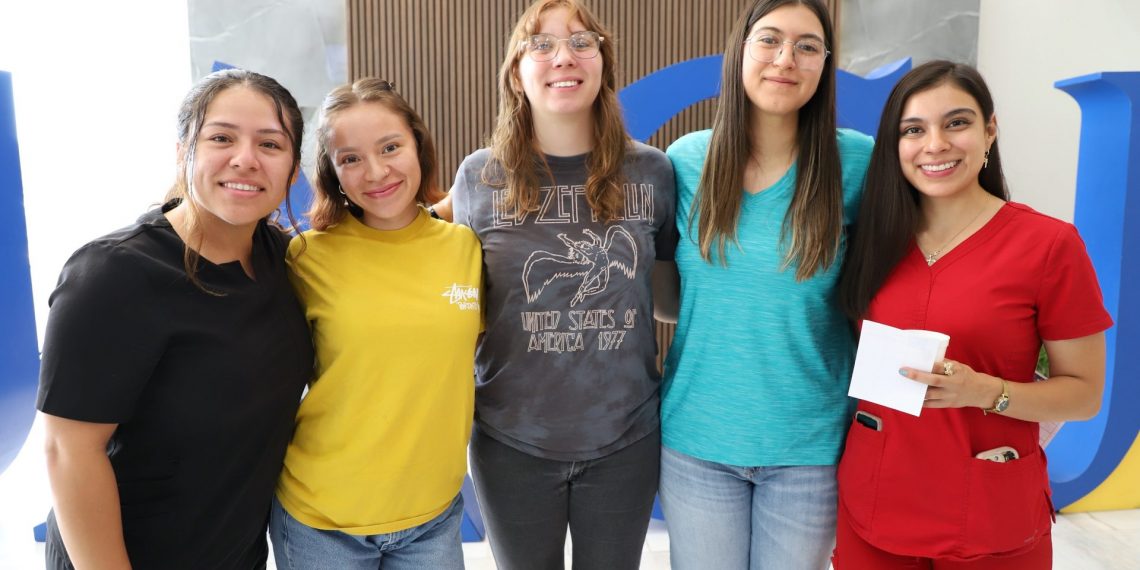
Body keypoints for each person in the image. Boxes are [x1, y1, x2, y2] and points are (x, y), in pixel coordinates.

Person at [833, 60, 1111, 569]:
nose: (935, 144)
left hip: (990, 511)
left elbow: (1085, 395)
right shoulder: (870, 241)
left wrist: (987, 392)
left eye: (956, 123)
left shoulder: (1048, 245)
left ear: (989, 132)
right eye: (913, 130)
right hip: (873, 507)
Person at [36, 68, 312, 569]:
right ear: (184, 151)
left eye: (270, 144)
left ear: (293, 170)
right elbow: (68, 451)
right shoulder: (113, 273)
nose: (245, 158)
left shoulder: (283, 260)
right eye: (221, 138)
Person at [449, 0, 677, 567]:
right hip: (511, 441)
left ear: (603, 64)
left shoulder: (651, 172)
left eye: (581, 42)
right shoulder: (479, 176)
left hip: (625, 438)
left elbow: (669, 296)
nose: (563, 57)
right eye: (542, 44)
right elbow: (453, 292)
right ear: (516, 73)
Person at [655, 0, 874, 568]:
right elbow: (672, 299)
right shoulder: (687, 160)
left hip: (810, 446)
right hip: (697, 440)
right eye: (770, 40)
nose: (785, 59)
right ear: (740, 51)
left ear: (825, 63)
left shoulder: (857, 162)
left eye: (807, 46)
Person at [269, 78, 482, 570]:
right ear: (332, 172)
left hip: (432, 519)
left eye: (390, 147)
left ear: (418, 145)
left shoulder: (467, 248)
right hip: (322, 519)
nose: (376, 171)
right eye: (351, 158)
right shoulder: (305, 257)